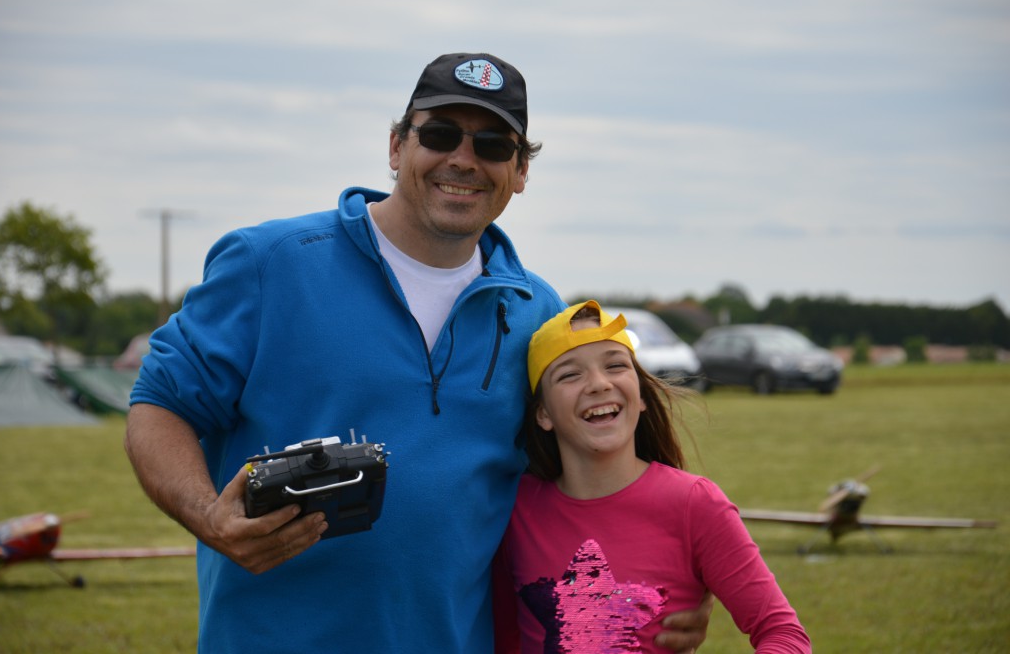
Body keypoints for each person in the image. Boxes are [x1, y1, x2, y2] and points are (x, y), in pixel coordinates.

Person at [125, 53, 712, 652]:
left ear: (520, 171)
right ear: (396, 146)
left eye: (492, 143)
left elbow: (580, 486)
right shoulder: (270, 263)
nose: (463, 158)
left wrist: (660, 585)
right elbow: (157, 406)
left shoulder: (536, 310)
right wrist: (207, 517)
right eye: (438, 134)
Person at [492, 301, 812, 652]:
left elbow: (783, 634)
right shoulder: (515, 509)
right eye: (570, 374)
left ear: (641, 395)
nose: (599, 384)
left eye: (615, 365)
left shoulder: (695, 504)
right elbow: (504, 638)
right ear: (543, 414)